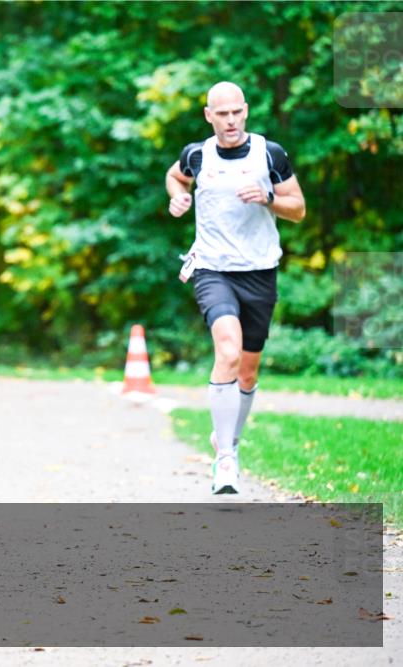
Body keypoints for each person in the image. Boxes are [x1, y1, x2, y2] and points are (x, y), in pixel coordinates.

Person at [165, 81, 306, 494]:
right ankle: (225, 458)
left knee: (247, 370)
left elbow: (297, 208)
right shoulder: (197, 154)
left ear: (245, 111)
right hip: (212, 268)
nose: (229, 121)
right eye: (220, 114)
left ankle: (229, 438)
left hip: (260, 270)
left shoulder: (270, 153)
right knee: (227, 351)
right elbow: (175, 178)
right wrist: (178, 197)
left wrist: (267, 197)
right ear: (209, 116)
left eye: (235, 113)